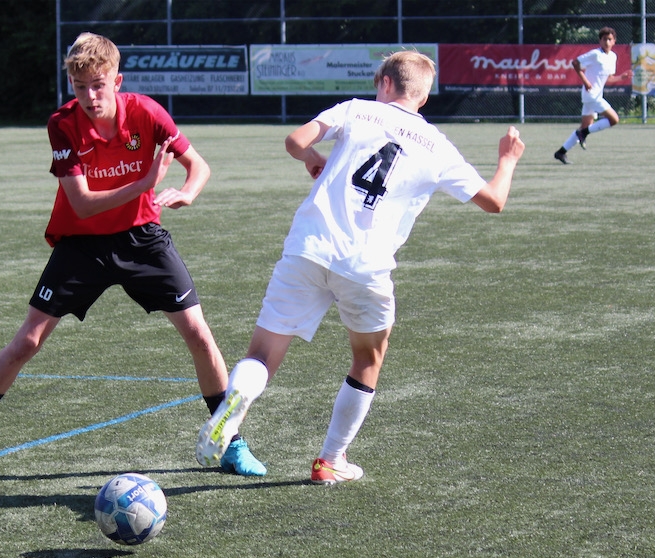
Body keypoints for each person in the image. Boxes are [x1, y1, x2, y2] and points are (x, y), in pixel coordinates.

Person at [0, 32, 265, 481]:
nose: (89, 96)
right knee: (27, 342)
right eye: (80, 86)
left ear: (116, 81)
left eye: (98, 85)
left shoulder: (147, 112)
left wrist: (188, 190)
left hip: (142, 239)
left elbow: (198, 165)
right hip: (82, 243)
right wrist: (144, 183)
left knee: (200, 336)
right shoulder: (62, 124)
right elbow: (82, 204)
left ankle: (231, 442)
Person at [196, 50, 525, 484]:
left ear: (386, 83)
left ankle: (233, 411)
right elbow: (494, 201)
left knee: (261, 354)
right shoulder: (438, 146)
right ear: (423, 97)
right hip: (365, 267)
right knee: (368, 357)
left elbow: (295, 141)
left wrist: (313, 158)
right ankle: (330, 460)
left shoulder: (356, 110)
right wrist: (508, 160)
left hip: (309, 248)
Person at [554, 27, 632, 165]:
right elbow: (575, 63)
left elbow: (608, 78)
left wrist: (621, 77)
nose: (607, 42)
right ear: (600, 41)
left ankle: (561, 152)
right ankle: (583, 133)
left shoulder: (613, 56)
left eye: (609, 39)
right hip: (591, 95)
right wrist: (585, 81)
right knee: (614, 119)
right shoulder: (595, 54)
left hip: (596, 95)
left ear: (614, 41)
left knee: (585, 126)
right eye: (604, 39)